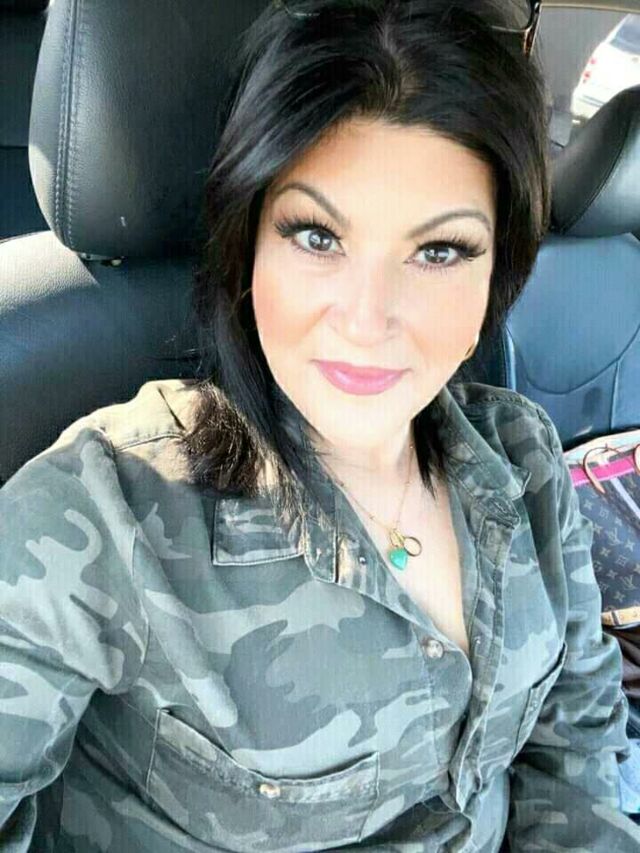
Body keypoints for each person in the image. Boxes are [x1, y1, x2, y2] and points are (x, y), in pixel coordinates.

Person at [1, 0, 639, 850]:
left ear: (500, 272)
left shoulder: (526, 459)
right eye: (316, 236)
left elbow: (579, 745)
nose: (368, 319)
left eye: (440, 251)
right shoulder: (100, 518)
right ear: (248, 245)